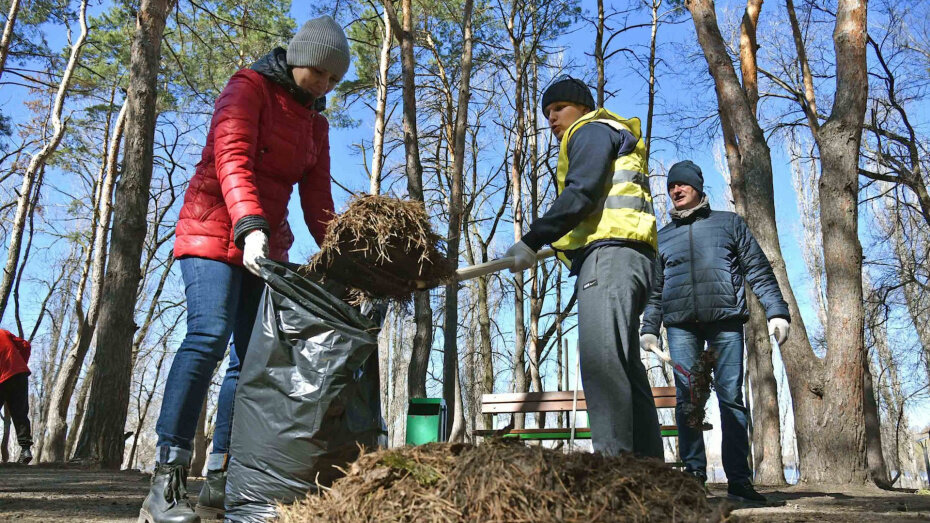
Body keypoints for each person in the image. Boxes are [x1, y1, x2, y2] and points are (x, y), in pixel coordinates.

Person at [139, 16, 349, 523]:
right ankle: (164, 481)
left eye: (332, 80)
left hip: (265, 250)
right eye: (317, 72)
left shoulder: (316, 124)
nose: (322, 85)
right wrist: (248, 223)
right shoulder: (247, 86)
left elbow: (317, 198)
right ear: (298, 58)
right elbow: (231, 156)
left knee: (251, 361)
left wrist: (342, 256)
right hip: (212, 229)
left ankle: (221, 474)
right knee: (208, 336)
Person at [505, 76, 663, 458]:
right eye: (547, 113)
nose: (552, 119)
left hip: (609, 259)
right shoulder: (612, 134)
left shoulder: (590, 130)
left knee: (602, 365)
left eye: (559, 109)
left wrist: (532, 238)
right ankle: (649, 477)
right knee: (624, 366)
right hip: (632, 259)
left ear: (582, 107)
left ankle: (615, 474)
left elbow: (582, 192)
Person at [639, 160, 790, 503]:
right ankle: (693, 479)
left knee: (731, 399)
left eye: (682, 185)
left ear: (696, 187)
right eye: (671, 187)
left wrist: (776, 311)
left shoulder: (729, 224)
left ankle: (739, 480)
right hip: (680, 328)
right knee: (687, 402)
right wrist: (649, 328)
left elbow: (758, 269)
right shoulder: (662, 238)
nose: (675, 190)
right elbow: (655, 291)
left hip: (725, 323)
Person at [0, 329, 33, 465]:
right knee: (20, 414)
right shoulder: (3, 332)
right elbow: (25, 345)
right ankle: (25, 449)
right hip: (19, 374)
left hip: (2, 377)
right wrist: (20, 363)